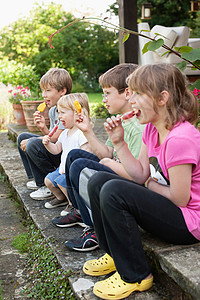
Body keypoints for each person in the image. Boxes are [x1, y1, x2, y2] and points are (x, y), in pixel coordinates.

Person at [82, 63, 200, 300]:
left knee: (114, 189)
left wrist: (151, 185)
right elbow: (139, 174)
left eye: (138, 94)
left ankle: (135, 275)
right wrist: (119, 143)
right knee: (98, 181)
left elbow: (180, 197)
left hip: (189, 221)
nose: (131, 100)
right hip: (169, 205)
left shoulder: (180, 138)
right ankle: (116, 255)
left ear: (162, 98)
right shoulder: (153, 129)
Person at [52, 63, 145, 251]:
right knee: (75, 156)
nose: (103, 99)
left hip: (127, 185)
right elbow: (107, 153)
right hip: (116, 172)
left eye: (107, 93)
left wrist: (107, 162)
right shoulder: (122, 121)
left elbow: (136, 176)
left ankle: (95, 229)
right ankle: (82, 212)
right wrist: (88, 132)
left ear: (126, 92)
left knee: (79, 165)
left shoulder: (137, 127)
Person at [17, 68, 72, 200]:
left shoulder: (67, 111)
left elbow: (57, 139)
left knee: (31, 143)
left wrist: (42, 134)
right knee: (22, 137)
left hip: (64, 154)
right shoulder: (54, 110)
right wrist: (43, 128)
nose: (44, 95)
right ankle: (36, 178)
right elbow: (51, 137)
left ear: (62, 91)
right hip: (55, 146)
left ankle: (46, 184)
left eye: (48, 90)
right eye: (43, 90)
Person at [42, 93, 91, 210]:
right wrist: (48, 144)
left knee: (61, 183)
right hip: (62, 169)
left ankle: (73, 205)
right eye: (59, 112)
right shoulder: (64, 133)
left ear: (77, 113)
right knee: (48, 180)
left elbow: (86, 155)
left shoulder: (81, 133)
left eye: (63, 112)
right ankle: (61, 198)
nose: (59, 116)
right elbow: (56, 150)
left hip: (73, 172)